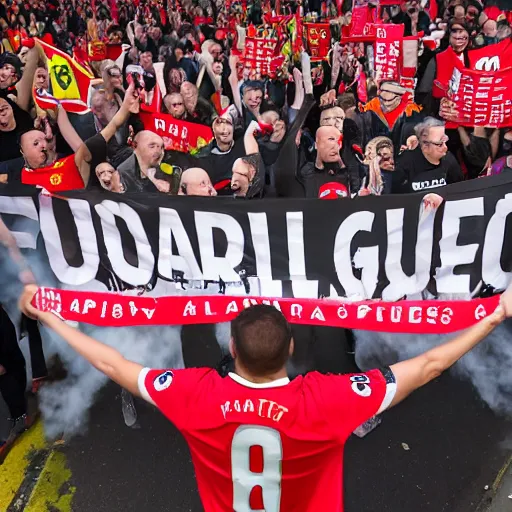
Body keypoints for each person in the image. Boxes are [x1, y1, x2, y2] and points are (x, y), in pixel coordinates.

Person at [18, 286, 512, 511]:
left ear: (230, 349)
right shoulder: (329, 399)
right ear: (292, 349)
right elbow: (428, 366)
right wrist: (491, 316)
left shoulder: (194, 394)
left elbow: (111, 363)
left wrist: (51, 317)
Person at [394, 117, 464, 193]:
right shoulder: (405, 163)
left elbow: (458, 189)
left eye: (445, 142)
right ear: (425, 146)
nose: (445, 148)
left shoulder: (448, 159)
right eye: (440, 144)